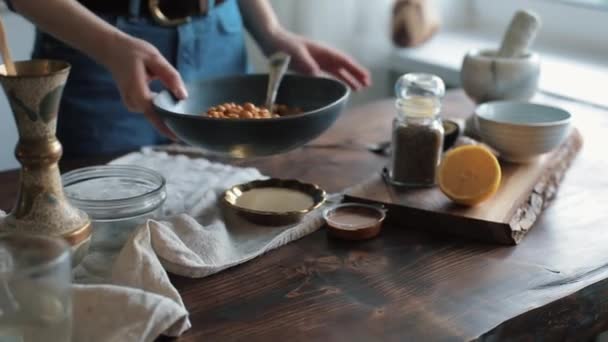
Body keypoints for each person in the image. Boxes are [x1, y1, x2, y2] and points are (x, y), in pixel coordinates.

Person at [8, 0, 371, 157]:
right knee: (105, 223)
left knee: (230, 215)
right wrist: (108, 45)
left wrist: (271, 30)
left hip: (219, 36)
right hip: (97, 46)